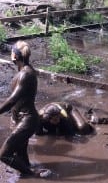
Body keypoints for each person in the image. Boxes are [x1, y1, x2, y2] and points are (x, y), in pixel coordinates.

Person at [0, 41, 50, 178]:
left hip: (27, 120)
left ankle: (32, 174)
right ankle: (27, 170)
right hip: (20, 119)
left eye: (11, 51)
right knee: (20, 156)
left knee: (4, 155)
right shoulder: (23, 71)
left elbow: (12, 100)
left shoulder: (26, 74)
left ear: (15, 56)